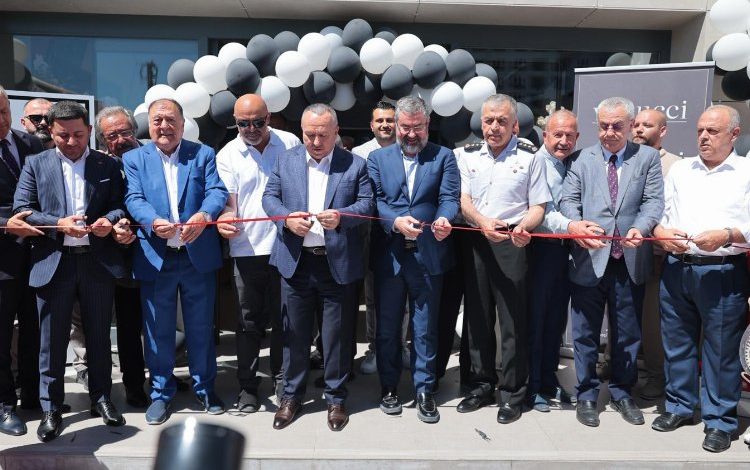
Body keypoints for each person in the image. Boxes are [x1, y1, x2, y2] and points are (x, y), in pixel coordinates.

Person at [13, 100, 129, 442]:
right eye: (63, 135)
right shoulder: (36, 164)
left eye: (79, 134)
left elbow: (119, 203)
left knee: (98, 336)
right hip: (54, 261)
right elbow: (23, 209)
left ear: (89, 131)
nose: (72, 141)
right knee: (51, 341)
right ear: (51, 131)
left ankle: (102, 398)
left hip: (96, 262)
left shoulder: (106, 163)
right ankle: (51, 408)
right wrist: (58, 224)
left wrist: (109, 220)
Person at [262, 103, 373, 432]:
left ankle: (335, 398)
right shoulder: (286, 160)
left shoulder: (355, 164)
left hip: (335, 263)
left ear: (336, 132)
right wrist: (286, 218)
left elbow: (367, 204)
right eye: (309, 134)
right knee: (294, 334)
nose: (315, 141)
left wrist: (342, 217)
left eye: (322, 135)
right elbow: (269, 197)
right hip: (296, 263)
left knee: (335, 336)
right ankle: (291, 396)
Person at [123, 98, 228, 425]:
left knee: (201, 328)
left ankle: (205, 388)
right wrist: (153, 221)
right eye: (157, 120)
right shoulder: (134, 158)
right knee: (158, 330)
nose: (164, 126)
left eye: (171, 120)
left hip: (197, 257)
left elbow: (217, 191)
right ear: (149, 125)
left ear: (183, 124)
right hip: (157, 258)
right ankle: (160, 393)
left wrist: (204, 214)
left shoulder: (203, 154)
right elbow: (133, 198)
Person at [651, 105, 750, 453]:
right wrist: (661, 233)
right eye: (700, 131)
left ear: (734, 134)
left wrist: (728, 234)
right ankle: (680, 406)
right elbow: (661, 215)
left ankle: (720, 421)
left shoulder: (746, 172)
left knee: (721, 350)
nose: (703, 137)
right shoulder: (681, 169)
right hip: (677, 268)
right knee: (676, 342)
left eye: (712, 131)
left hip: (722, 270)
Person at [560, 96, 663, 428]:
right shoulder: (580, 159)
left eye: (617, 126)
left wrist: (640, 228)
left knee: (627, 334)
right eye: (603, 126)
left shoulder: (647, 158)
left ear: (631, 125)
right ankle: (587, 394)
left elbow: (653, 202)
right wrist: (576, 225)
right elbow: (568, 200)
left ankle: (621, 392)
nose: (608, 132)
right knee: (585, 333)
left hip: (629, 260)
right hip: (588, 257)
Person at [456, 94, 550, 424]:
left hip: (513, 241)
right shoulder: (465, 155)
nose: (494, 127)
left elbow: (539, 205)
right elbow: (464, 200)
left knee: (512, 321)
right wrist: (482, 223)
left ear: (515, 126)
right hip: (476, 239)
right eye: (489, 121)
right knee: (477, 318)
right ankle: (481, 386)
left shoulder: (531, 158)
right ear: (481, 123)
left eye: (501, 121)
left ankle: (512, 393)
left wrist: (525, 227)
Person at [367, 95, 459, 424]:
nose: (410, 134)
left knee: (425, 328)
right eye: (405, 127)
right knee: (388, 328)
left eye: (417, 127)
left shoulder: (444, 156)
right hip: (390, 256)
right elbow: (375, 200)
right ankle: (389, 387)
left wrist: (445, 218)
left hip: (429, 256)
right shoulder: (377, 159)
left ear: (427, 125)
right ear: (396, 125)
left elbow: (449, 197)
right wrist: (395, 221)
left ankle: (424, 390)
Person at [215, 94, 300, 412]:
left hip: (286, 244)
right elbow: (229, 203)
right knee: (248, 322)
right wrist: (225, 219)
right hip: (247, 248)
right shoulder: (227, 154)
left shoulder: (290, 142)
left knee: (284, 319)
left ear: (269, 117)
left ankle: (281, 379)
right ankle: (248, 386)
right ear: (235, 122)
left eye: (258, 122)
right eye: (243, 123)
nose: (251, 129)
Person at [526, 109, 581, 412]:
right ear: (545, 135)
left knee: (556, 321)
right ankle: (532, 385)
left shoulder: (575, 163)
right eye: (557, 134)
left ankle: (549, 379)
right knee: (535, 321)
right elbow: (543, 213)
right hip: (540, 250)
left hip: (566, 252)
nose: (563, 141)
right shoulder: (536, 163)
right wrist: (573, 227)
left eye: (569, 135)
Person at [94, 106, 148, 408]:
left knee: (161, 321)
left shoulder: (154, 155)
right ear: (103, 140)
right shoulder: (100, 165)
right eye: (111, 136)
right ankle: (133, 384)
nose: (120, 140)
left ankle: (163, 374)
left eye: (124, 132)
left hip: (158, 252)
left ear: (134, 130)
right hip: (118, 258)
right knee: (128, 326)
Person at [351, 101, 410, 375]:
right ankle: (375, 348)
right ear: (371, 125)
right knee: (373, 296)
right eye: (380, 121)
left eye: (390, 120)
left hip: (401, 231)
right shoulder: (359, 154)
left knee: (404, 296)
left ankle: (401, 345)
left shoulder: (409, 149)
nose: (385, 125)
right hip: (368, 234)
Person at [0, 86, 44, 437]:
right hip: (1, 261)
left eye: (3, 111)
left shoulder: (30, 143)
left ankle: (33, 394)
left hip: (37, 257)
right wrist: (5, 224)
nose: (1, 120)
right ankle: (4, 405)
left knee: (35, 329)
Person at [630, 108, 680, 401]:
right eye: (636, 124)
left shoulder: (676, 166)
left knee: (652, 322)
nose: (638, 129)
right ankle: (614, 361)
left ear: (662, 131)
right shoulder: (622, 158)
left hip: (656, 254)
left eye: (646, 125)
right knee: (621, 313)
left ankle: (655, 376)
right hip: (624, 251)